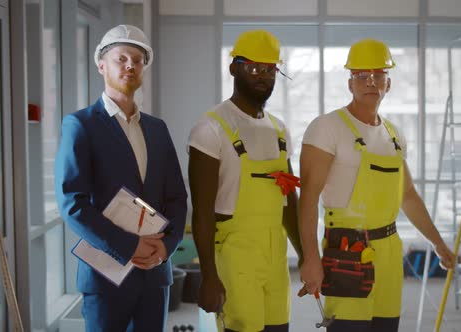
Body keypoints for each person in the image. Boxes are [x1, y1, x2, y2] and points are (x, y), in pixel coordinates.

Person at [297, 38, 455, 332]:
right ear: (350, 83)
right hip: (347, 248)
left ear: (388, 83)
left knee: (386, 326)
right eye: (361, 75)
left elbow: (407, 195)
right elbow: (307, 198)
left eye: (378, 75)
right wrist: (310, 258)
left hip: (389, 250)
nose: (370, 82)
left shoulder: (394, 135)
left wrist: (438, 242)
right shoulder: (327, 127)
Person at [55, 25, 188, 332]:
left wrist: (167, 246)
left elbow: (177, 198)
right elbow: (72, 204)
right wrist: (128, 246)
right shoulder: (80, 125)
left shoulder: (157, 129)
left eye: (138, 60)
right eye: (122, 58)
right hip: (106, 275)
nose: (131, 65)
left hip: (155, 274)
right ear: (101, 65)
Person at [188, 29, 302, 332]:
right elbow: (202, 211)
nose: (262, 76)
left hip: (275, 257)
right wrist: (209, 277)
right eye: (253, 68)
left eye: (270, 69)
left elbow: (289, 200)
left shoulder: (280, 131)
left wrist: (305, 254)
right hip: (235, 257)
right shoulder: (211, 128)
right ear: (233, 68)